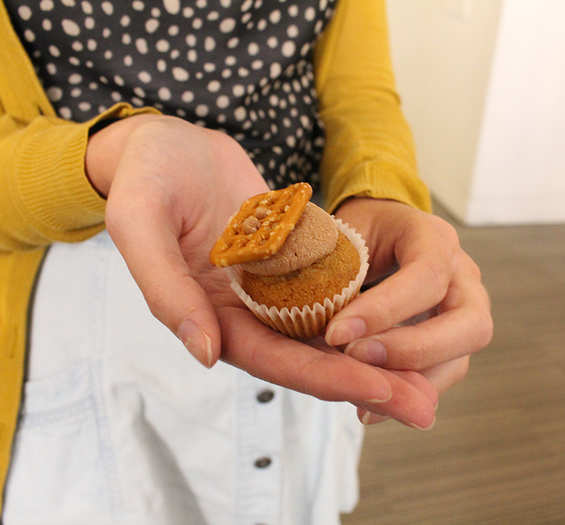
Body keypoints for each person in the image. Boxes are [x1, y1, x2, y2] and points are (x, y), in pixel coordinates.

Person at [0, 1, 492, 523]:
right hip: (85, 273)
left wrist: (381, 192)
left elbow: (361, 98)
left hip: (325, 258)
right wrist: (112, 156)